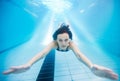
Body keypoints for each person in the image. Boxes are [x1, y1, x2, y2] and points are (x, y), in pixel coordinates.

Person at [3, 23, 118, 80]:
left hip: (66, 37)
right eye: (60, 40)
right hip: (57, 36)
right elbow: (43, 53)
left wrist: (91, 67)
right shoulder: (54, 43)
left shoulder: (71, 44)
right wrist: (28, 65)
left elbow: (79, 55)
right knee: (59, 30)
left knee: (65, 34)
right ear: (56, 40)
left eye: (66, 40)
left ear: (70, 40)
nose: (63, 43)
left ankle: (61, 25)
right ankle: (59, 25)